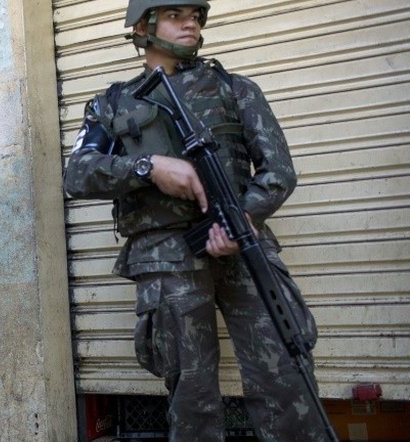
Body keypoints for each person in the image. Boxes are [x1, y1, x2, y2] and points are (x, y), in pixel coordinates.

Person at [63, 1, 330, 441]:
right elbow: (77, 174)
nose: (191, 23)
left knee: (285, 374)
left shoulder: (235, 89)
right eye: (176, 15)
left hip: (244, 245)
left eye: (197, 15)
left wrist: (242, 218)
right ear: (144, 28)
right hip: (166, 259)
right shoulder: (110, 104)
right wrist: (149, 168)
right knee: (192, 389)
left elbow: (278, 172)